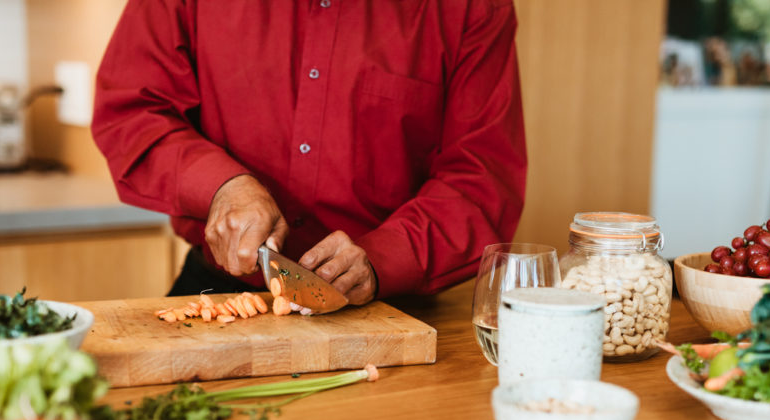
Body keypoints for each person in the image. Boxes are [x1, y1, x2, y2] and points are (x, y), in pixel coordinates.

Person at [92, 0, 526, 305]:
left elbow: (480, 177)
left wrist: (382, 258)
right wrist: (221, 186)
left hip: (388, 307)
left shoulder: (472, 8)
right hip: (220, 289)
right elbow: (132, 112)